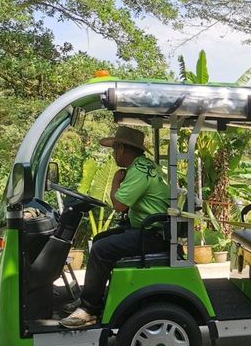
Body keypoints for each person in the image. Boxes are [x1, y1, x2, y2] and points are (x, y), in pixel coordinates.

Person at [60, 126, 170, 328]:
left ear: (121, 149)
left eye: (114, 150)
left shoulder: (137, 171)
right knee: (101, 239)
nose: (113, 154)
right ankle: (92, 297)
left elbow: (119, 205)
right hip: (147, 229)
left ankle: (89, 310)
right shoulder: (143, 166)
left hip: (152, 234)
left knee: (101, 249)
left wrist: (115, 181)